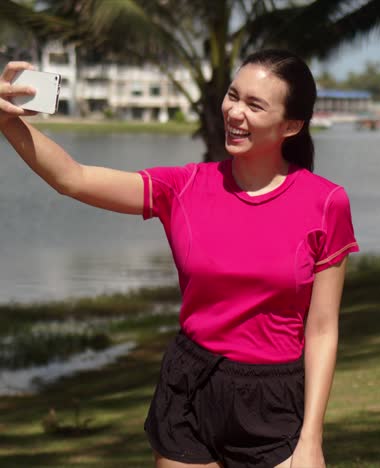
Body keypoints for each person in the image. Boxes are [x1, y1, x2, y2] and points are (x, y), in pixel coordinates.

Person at [0, 49, 359, 468]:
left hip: (273, 398)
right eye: (233, 95)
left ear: (291, 125)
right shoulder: (185, 186)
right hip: (188, 385)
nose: (235, 112)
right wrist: (8, 121)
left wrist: (311, 438)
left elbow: (321, 329)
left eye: (255, 105)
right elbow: (73, 179)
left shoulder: (325, 202)